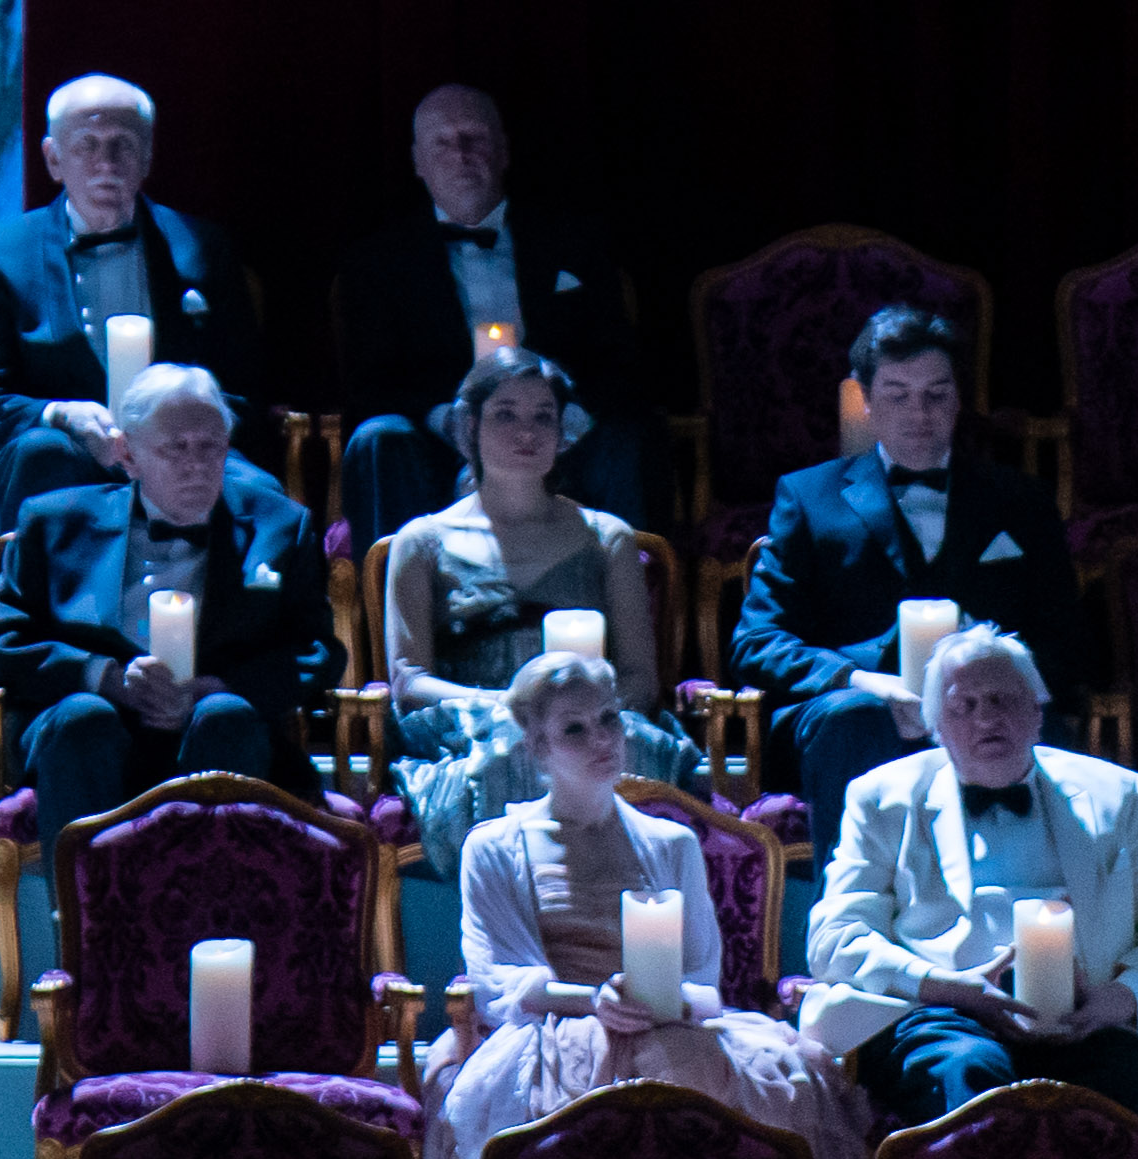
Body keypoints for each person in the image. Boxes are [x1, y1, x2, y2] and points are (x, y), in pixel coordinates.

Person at [427, 650, 864, 1159]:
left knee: (766, 1085)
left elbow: (703, 981)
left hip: (669, 1019)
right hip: (556, 1027)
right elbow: (499, 982)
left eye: (609, 719)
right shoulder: (494, 847)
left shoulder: (671, 844)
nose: (601, 739)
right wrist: (594, 1000)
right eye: (575, 728)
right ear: (536, 745)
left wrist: (663, 1002)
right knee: (580, 1096)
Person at [802, 625, 1138, 1130]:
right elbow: (834, 938)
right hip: (944, 1016)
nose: (986, 717)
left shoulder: (1115, 795)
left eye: (1001, 700)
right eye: (963, 705)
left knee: (1118, 1087)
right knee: (971, 1075)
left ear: (1037, 713)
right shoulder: (882, 798)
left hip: (1087, 1019)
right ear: (934, 726)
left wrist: (1117, 1000)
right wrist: (951, 987)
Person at [727, 305, 1088, 851]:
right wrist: (861, 679)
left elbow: (1067, 640)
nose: (919, 413)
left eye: (936, 394)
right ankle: (850, 920)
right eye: (898, 395)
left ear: (959, 398)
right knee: (855, 721)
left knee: (1028, 720)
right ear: (865, 401)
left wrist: (994, 669)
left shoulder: (1020, 500)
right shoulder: (808, 497)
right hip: (856, 707)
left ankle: (1036, 915)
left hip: (988, 701)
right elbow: (757, 642)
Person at [0, 364, 335, 849]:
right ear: (128, 455)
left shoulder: (279, 526)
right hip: (91, 735)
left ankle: (216, 918)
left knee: (225, 715)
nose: (196, 465)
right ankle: (83, 919)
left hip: (214, 734)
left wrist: (214, 686)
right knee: (82, 718)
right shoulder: (56, 522)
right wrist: (102, 675)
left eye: (210, 447)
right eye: (176, 448)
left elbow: (319, 652)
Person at [378, 347, 697, 876]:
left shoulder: (605, 537)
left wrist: (582, 715)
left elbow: (641, 676)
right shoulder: (423, 541)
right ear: (469, 426)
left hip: (594, 714)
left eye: (542, 416)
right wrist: (510, 705)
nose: (527, 430)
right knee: (514, 750)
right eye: (506, 413)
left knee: (605, 749)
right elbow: (409, 680)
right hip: (474, 723)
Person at [331, 85, 659, 541]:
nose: (461, 154)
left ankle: (632, 598)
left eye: (475, 138)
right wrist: (449, 422)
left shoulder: (573, 244)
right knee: (379, 439)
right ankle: (395, 603)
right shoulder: (379, 263)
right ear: (417, 163)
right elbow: (372, 384)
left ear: (503, 152)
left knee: (626, 435)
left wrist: (568, 421)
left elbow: (619, 360)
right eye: (443, 143)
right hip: (441, 444)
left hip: (560, 437)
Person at [0, 74, 265, 526]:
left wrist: (179, 436)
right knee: (41, 455)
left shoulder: (201, 248)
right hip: (63, 453)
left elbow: (241, 384)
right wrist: (60, 415)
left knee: (260, 497)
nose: (107, 163)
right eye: (88, 146)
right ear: (53, 158)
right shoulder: (4, 255)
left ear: (147, 156)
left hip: (185, 451)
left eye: (122, 145)